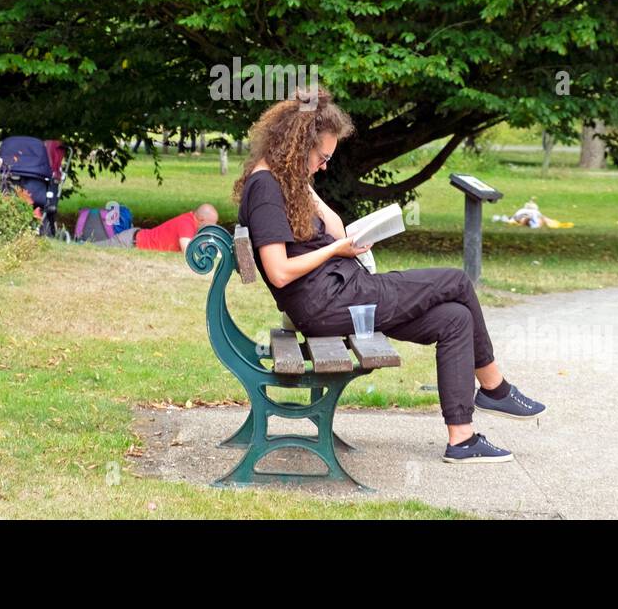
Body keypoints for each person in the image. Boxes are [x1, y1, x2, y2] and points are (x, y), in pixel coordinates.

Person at [232, 84, 546, 464]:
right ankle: (496, 389)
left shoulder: (283, 181)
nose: (325, 165)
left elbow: (335, 229)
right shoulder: (266, 189)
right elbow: (280, 272)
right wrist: (337, 250)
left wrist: (306, 185)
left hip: (341, 294)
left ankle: (461, 439)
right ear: (298, 145)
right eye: (322, 156)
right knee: (457, 281)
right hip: (329, 303)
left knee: (455, 318)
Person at [101, 203, 219, 252]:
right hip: (129, 241)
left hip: (134, 239)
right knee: (89, 247)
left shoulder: (191, 222)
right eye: (212, 224)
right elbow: (188, 251)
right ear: (202, 220)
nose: (214, 228)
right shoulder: (187, 223)